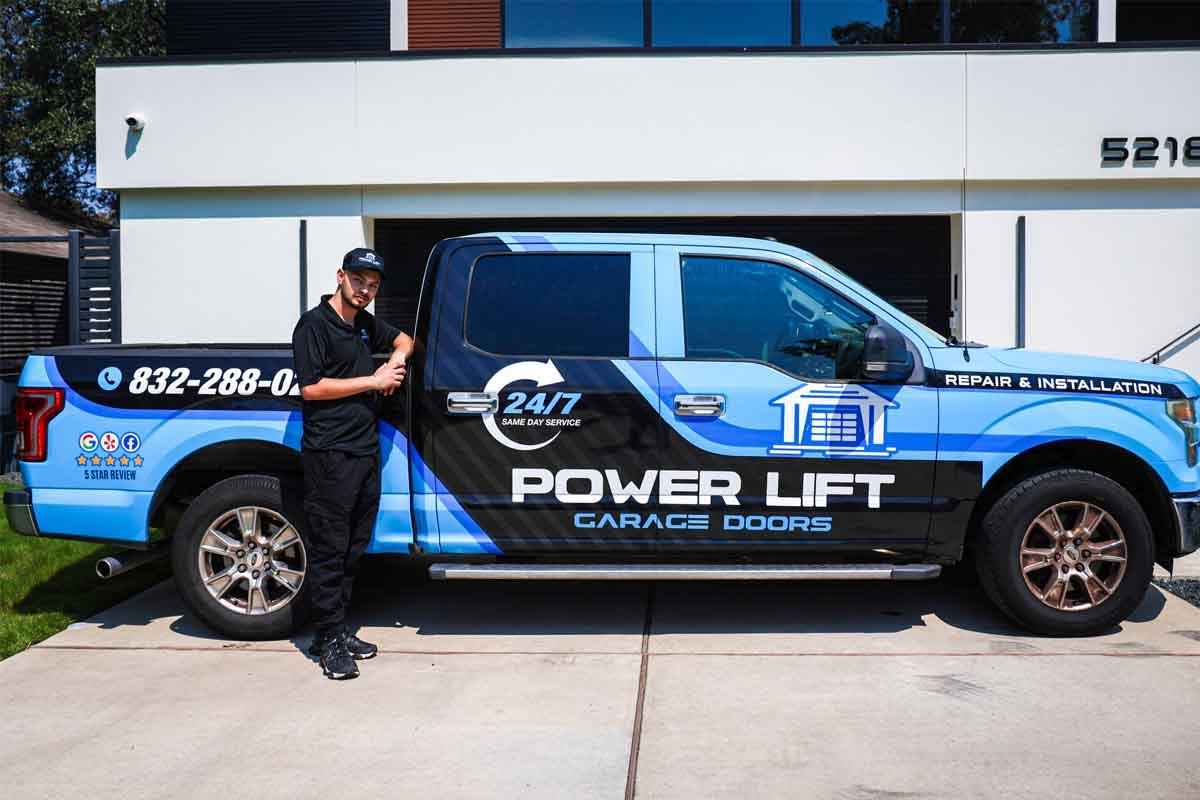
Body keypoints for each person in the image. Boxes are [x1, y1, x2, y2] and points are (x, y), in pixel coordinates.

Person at [291, 247, 413, 680]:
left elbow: (404, 340)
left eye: (374, 284)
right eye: (359, 280)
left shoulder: (362, 324)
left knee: (353, 548)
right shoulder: (314, 325)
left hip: (364, 452)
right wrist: (375, 380)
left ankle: (338, 631)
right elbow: (311, 388)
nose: (365, 289)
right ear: (340, 276)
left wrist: (396, 358)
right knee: (329, 549)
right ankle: (325, 643)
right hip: (331, 454)